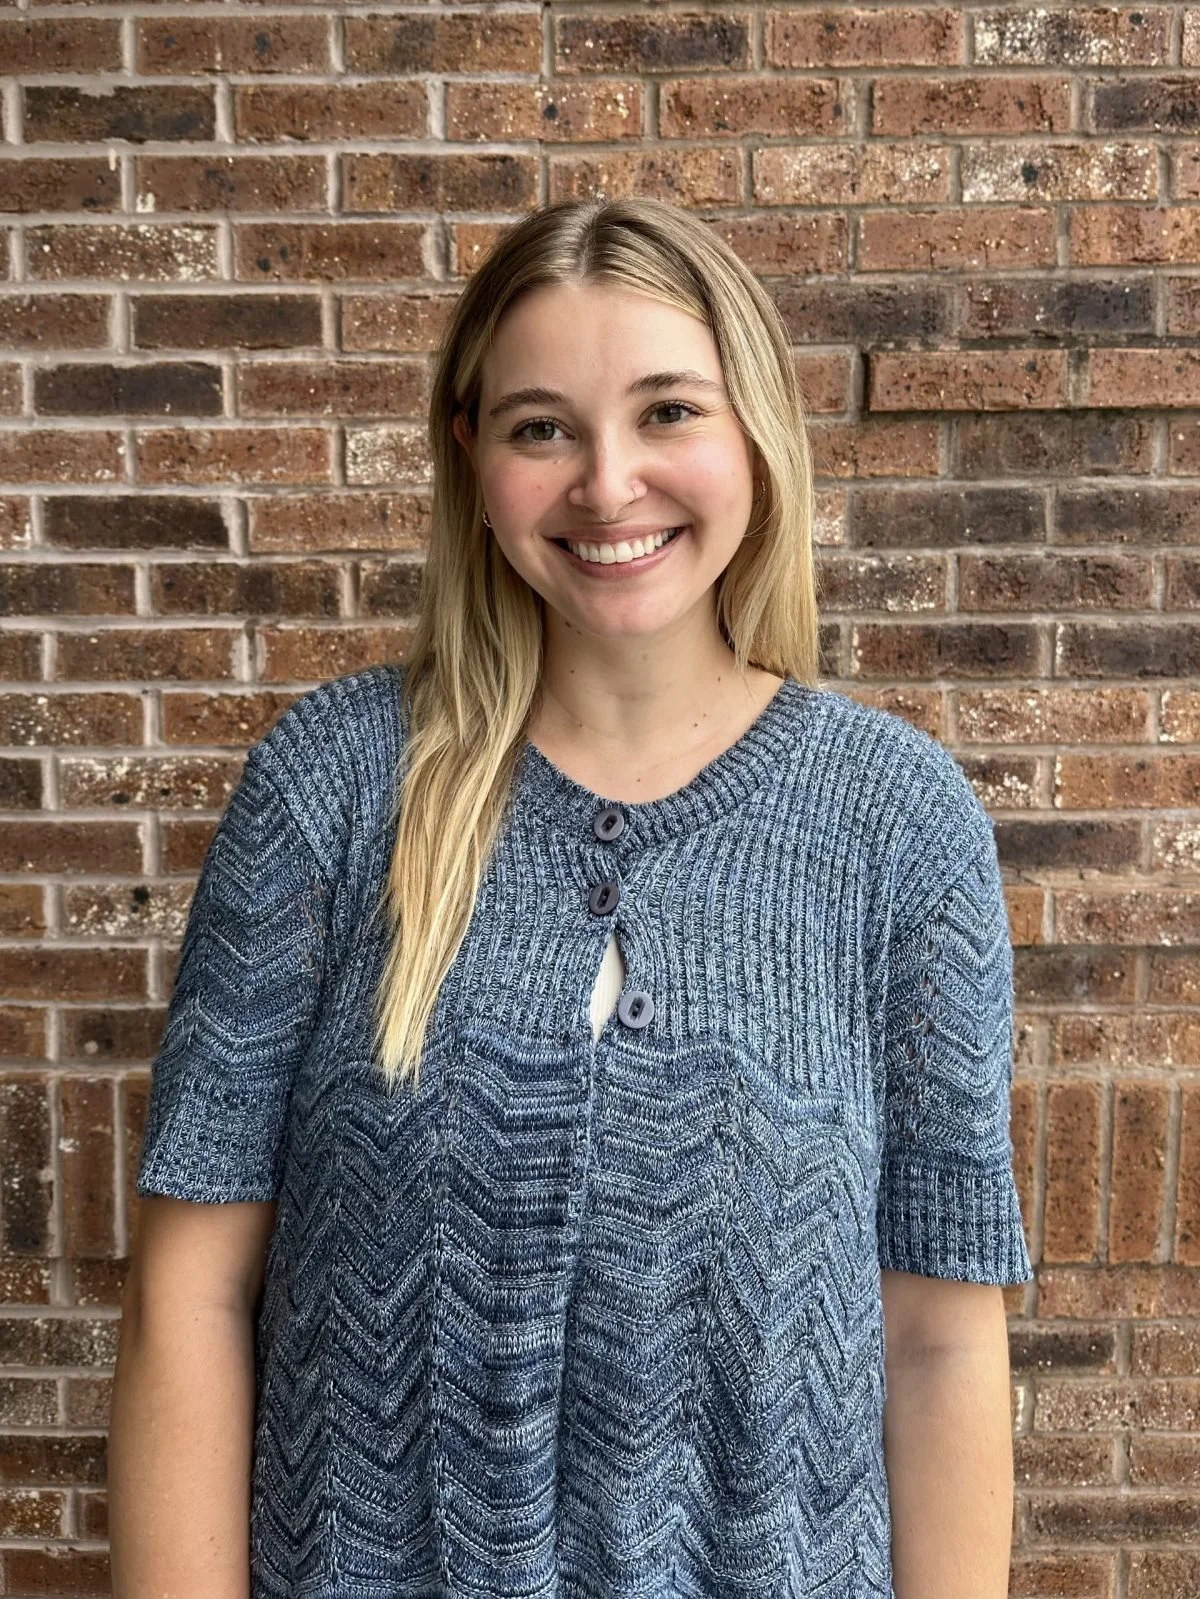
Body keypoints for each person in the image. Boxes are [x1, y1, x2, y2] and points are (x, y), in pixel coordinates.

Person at [109, 195, 1034, 1598]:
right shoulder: (337, 789)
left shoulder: (897, 825)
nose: (610, 485)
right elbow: (191, 1294)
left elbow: (941, 1342)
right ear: (472, 452)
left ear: (755, 434)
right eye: (544, 426)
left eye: (668, 411)